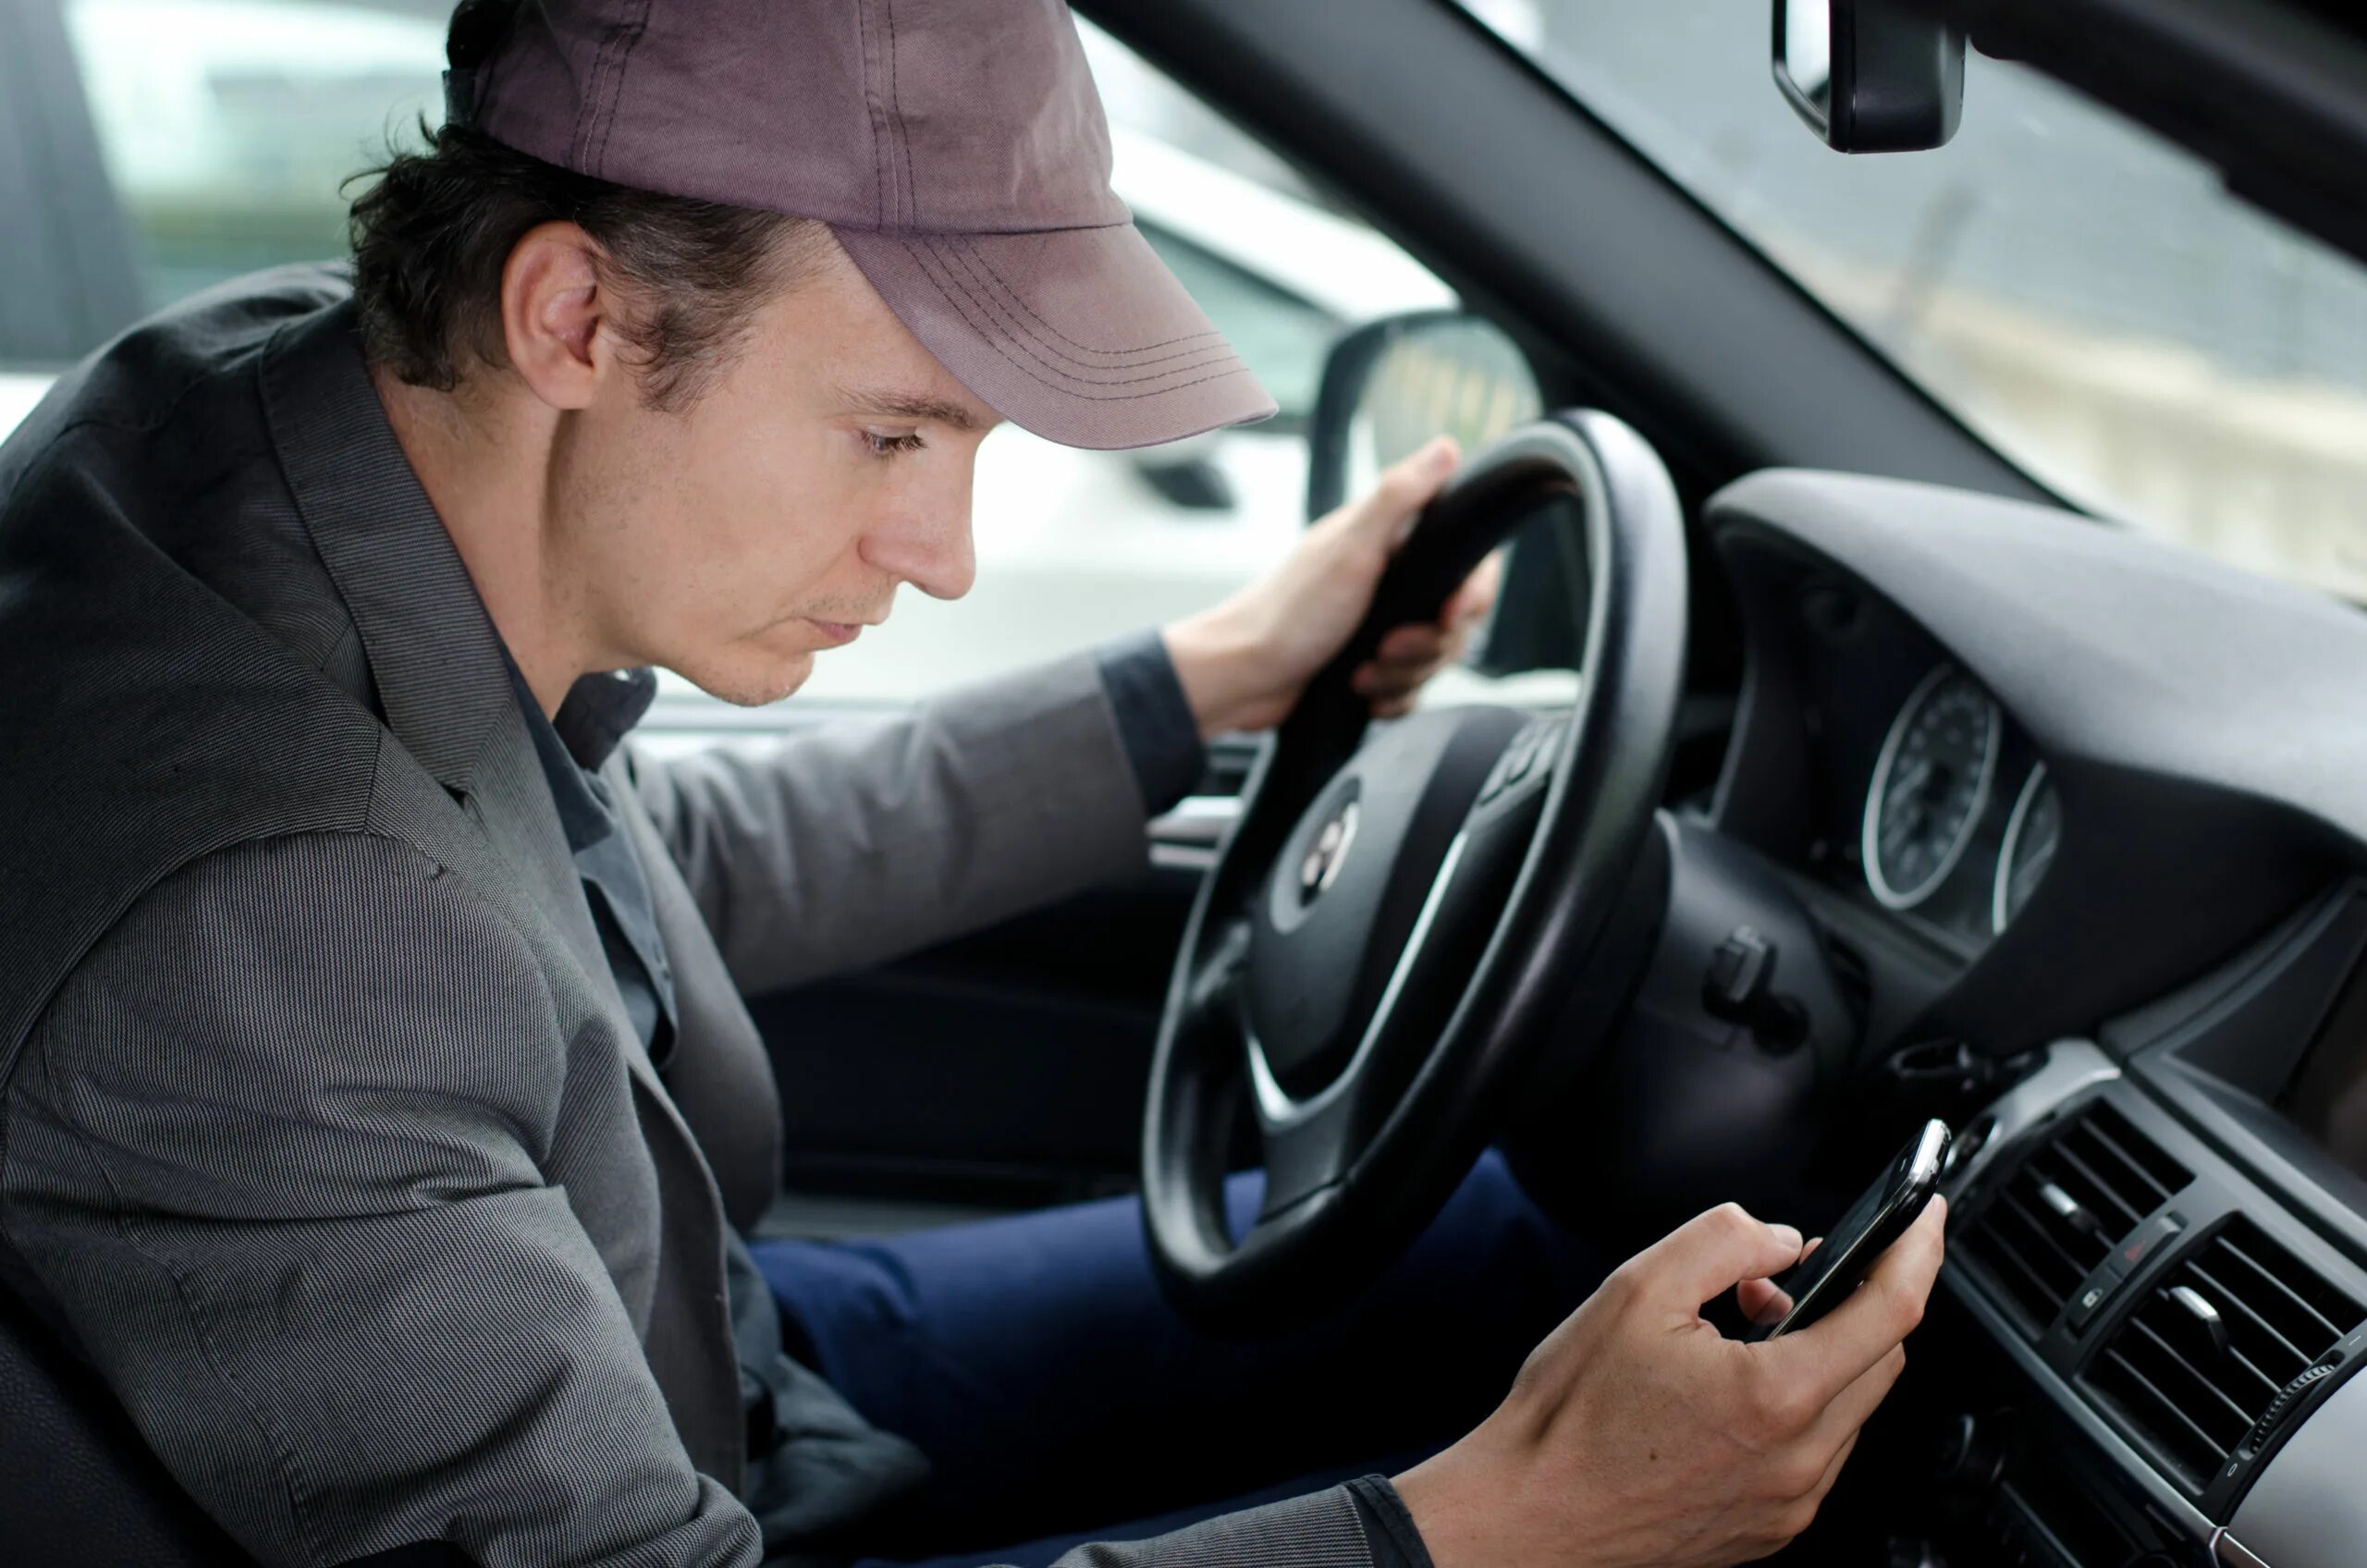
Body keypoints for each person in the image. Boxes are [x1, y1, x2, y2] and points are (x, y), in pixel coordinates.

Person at [0, 1, 1943, 1565]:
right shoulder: (265, 924)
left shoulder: (287, 417)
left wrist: (1206, 683)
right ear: (574, 314)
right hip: (681, 1471)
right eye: (890, 432)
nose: (945, 552)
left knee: (1523, 1247)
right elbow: (371, 925)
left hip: (720, 1358)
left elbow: (626, 858)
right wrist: (1486, 1529)